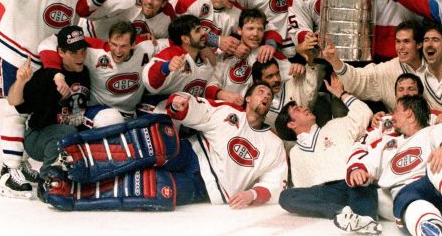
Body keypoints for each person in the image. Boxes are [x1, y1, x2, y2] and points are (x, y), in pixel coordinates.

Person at [0, 0, 125, 198]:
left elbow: (85, 6)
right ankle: (9, 170)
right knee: (13, 110)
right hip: (12, 49)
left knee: (30, 114)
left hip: (44, 58)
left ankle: (20, 162)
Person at [43, 82, 287, 211]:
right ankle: (77, 158)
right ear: (248, 97)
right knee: (159, 138)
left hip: (206, 188)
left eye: (268, 96)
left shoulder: (273, 144)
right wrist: (181, 104)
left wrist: (253, 194)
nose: (265, 97)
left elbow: (276, 183)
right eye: (260, 92)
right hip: (192, 156)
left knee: (149, 188)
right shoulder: (228, 112)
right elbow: (199, 110)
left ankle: (69, 191)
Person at [347, 95, 442, 236]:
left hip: (436, 189)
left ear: (409, 114)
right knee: (414, 206)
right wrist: (357, 170)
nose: (392, 117)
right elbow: (365, 157)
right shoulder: (386, 143)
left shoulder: (434, 130)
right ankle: (434, 227)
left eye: (396, 111)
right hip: (406, 192)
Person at [276, 73, 378, 234]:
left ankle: (365, 220)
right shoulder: (295, 153)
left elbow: (364, 112)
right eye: (297, 109)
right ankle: (344, 212)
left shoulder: (336, 125)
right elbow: (304, 188)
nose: (304, 108)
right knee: (286, 197)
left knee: (361, 185)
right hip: (328, 194)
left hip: (352, 181)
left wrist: (341, 93)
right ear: (291, 123)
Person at [7, 25, 90, 197]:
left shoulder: (85, 72)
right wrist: (21, 82)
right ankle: (45, 182)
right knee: (67, 132)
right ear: (60, 52)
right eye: (74, 53)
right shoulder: (46, 78)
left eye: (83, 51)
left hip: (68, 137)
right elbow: (14, 101)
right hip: (38, 138)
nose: (80, 57)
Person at [39, 21, 167, 128]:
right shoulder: (94, 50)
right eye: (114, 44)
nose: (117, 51)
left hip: (131, 112)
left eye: (123, 46)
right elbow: (49, 42)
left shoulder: (146, 47)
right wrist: (57, 75)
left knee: (167, 111)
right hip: (98, 112)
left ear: (133, 44)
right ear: (108, 41)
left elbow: (173, 45)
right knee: (111, 119)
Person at [325, 21, 425, 113]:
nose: (400, 47)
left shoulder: (434, 66)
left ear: (419, 44)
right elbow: (359, 78)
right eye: (398, 42)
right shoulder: (387, 70)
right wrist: (336, 62)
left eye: (406, 41)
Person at [142, 15, 215, 109]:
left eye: (202, 28)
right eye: (198, 30)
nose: (204, 32)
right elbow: (149, 80)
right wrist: (166, 67)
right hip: (157, 110)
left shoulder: (205, 56)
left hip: (186, 112)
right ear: (185, 39)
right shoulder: (172, 54)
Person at [82, 0, 175, 40]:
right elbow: (86, 9)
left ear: (164, 3)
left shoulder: (166, 19)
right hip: (87, 33)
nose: (149, 1)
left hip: (114, 51)